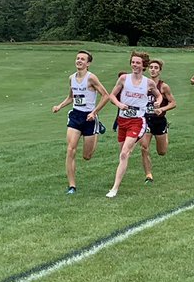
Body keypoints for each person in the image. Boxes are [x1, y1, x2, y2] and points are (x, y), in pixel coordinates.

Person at [104, 51, 162, 198]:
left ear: (143, 65)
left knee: (124, 153)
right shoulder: (124, 78)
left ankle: (114, 188)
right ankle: (119, 178)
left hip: (137, 121)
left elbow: (159, 95)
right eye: (133, 62)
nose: (135, 65)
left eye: (138, 63)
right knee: (122, 154)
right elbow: (112, 95)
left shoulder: (148, 83)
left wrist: (158, 102)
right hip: (122, 120)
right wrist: (119, 104)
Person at [51, 49, 110, 194]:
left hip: (89, 118)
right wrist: (59, 106)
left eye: (83, 59)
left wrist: (94, 112)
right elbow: (71, 97)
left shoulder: (91, 78)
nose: (79, 61)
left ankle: (97, 129)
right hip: (76, 116)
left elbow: (106, 96)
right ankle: (72, 186)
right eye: (77, 58)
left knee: (86, 156)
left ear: (88, 63)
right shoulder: (71, 78)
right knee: (70, 149)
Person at [140, 59, 176, 183]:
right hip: (146, 120)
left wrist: (162, 109)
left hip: (159, 121)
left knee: (162, 152)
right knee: (144, 147)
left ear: (160, 71)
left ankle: (166, 131)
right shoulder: (142, 84)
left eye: (156, 68)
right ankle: (148, 174)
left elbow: (173, 103)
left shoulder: (163, 86)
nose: (153, 70)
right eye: (151, 67)